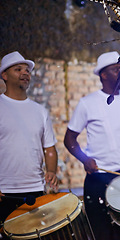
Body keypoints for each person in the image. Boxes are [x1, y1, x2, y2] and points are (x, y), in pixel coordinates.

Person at [63, 51, 120, 240]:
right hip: (97, 178)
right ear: (103, 75)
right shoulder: (87, 103)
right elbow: (69, 139)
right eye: (116, 70)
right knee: (101, 234)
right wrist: (84, 159)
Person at [0, 51, 58, 226]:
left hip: (35, 191)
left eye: (27, 70)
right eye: (18, 69)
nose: (25, 73)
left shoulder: (40, 111)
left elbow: (49, 148)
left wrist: (52, 171)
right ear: (4, 75)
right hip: (4, 192)